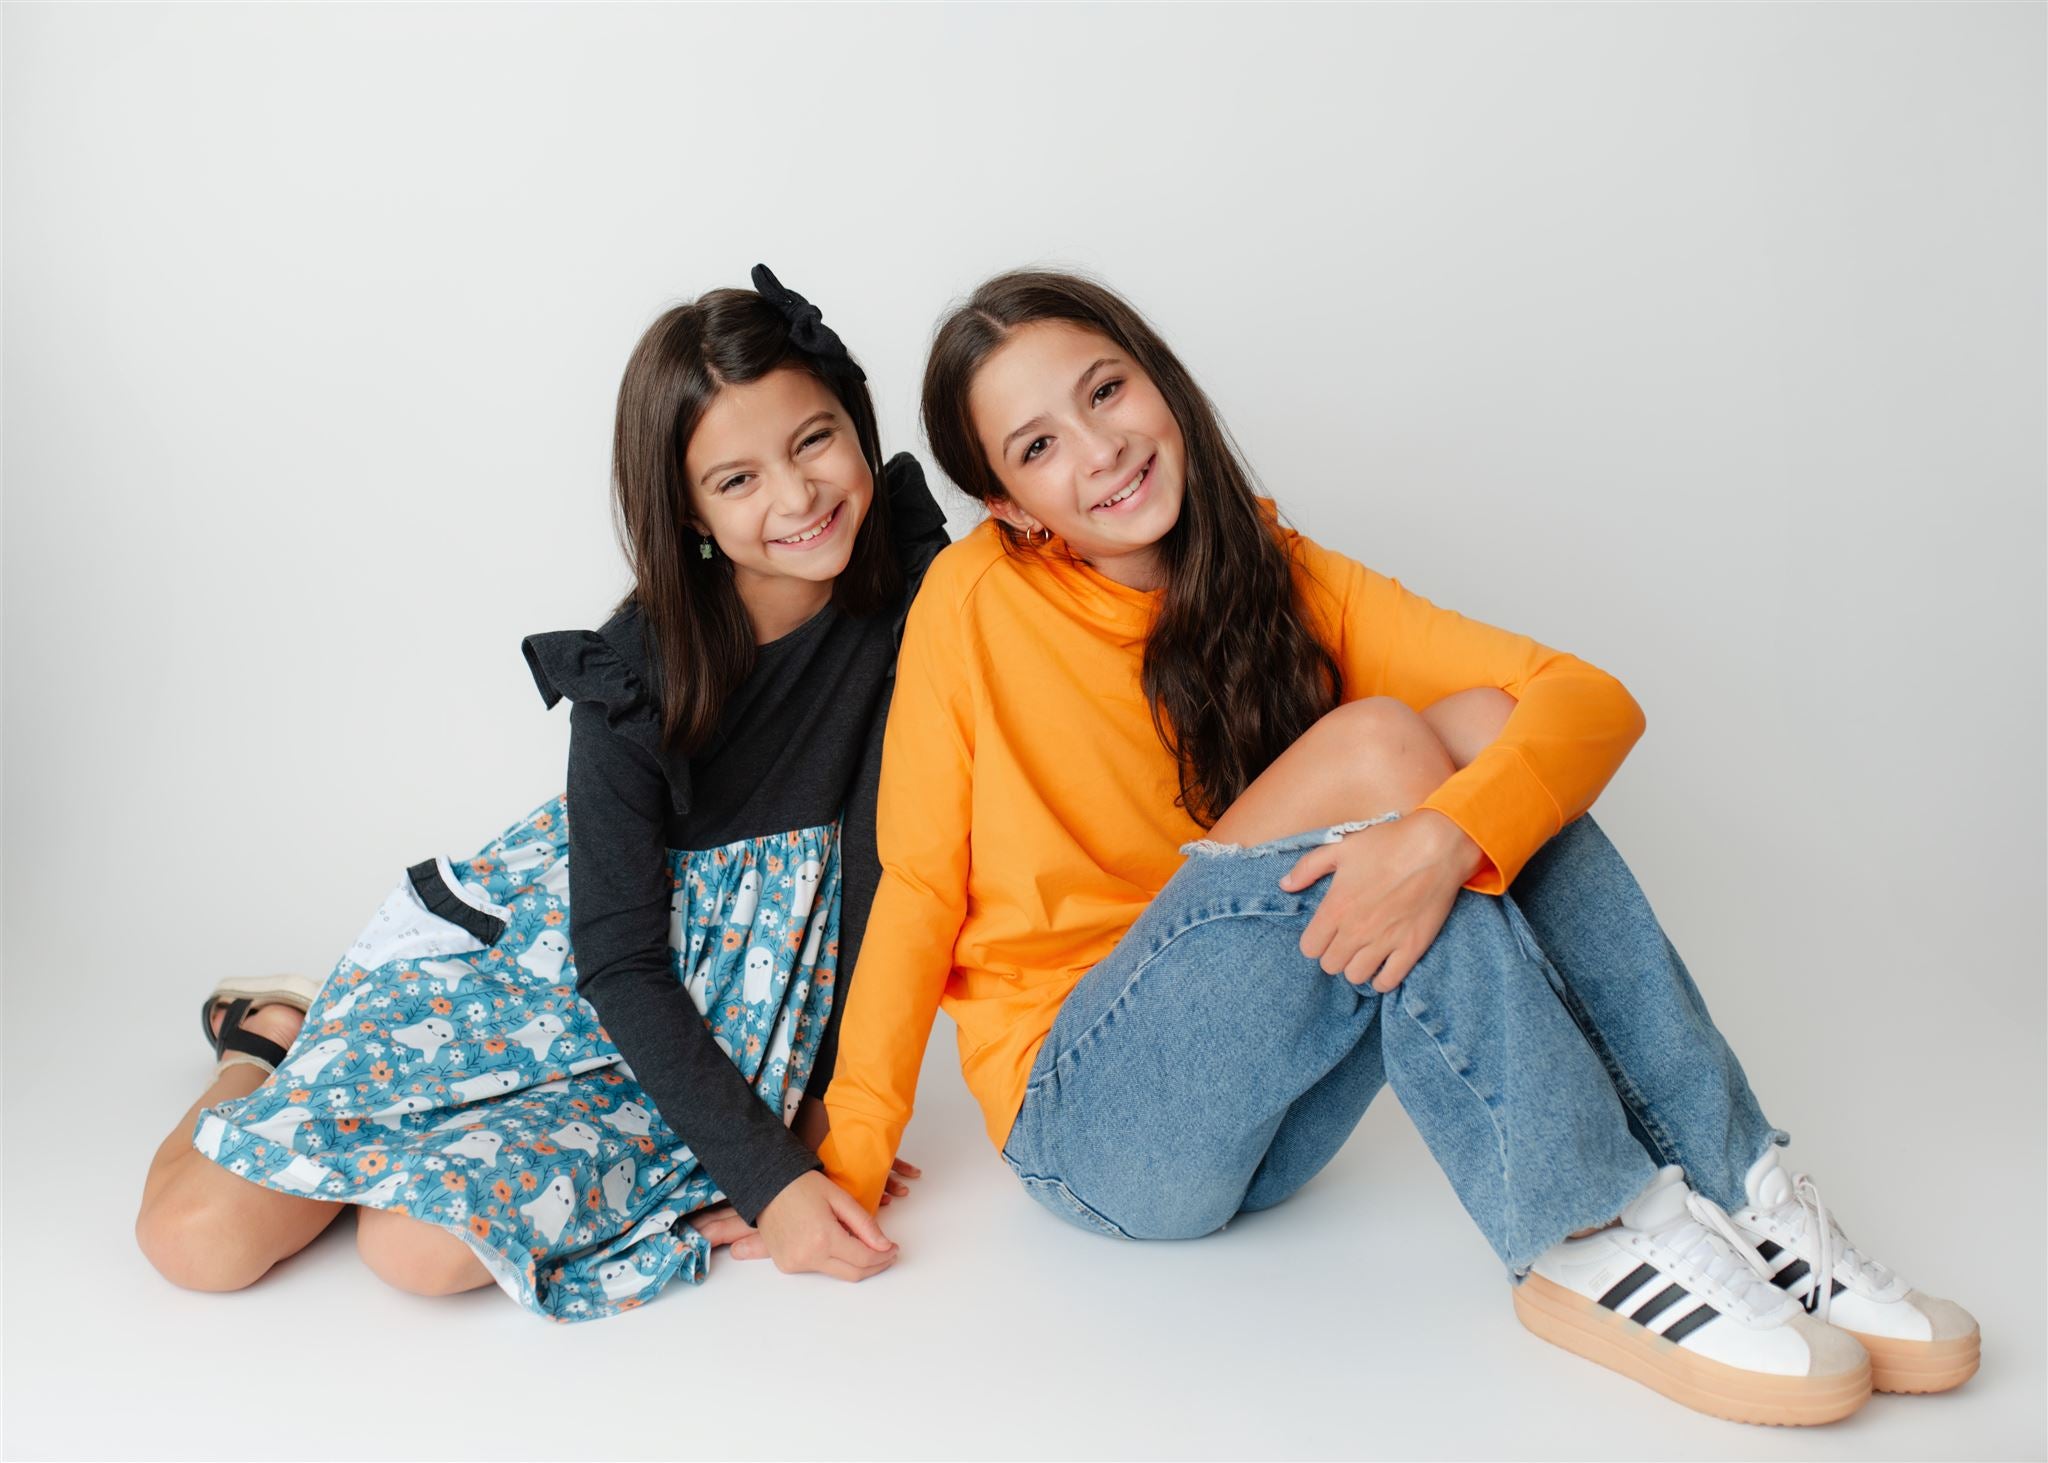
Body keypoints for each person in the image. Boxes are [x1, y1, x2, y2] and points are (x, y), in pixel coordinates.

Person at [812, 269, 1978, 1420]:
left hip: (1268, 1123)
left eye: (1104, 390)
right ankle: (1584, 1227)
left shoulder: (1276, 573)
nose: (1098, 448)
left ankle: (1738, 1190)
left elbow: (1586, 699)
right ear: (1011, 504)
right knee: (1386, 750)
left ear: (1157, 380)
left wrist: (1446, 841)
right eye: (1037, 447)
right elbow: (914, 883)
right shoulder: (971, 599)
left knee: (1485, 738)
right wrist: (848, 1153)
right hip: (1091, 1128)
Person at [135, 266, 942, 1321]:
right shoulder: (633, 673)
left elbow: (885, 865)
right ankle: (267, 1042)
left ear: (855, 418)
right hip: (575, 974)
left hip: (724, 1028)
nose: (796, 497)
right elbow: (618, 959)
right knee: (195, 1240)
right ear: (688, 510)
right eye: (737, 478)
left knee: (419, 1250)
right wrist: (770, 1179)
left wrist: (823, 1115)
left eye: (813, 439)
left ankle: (376, 1142)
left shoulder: (916, 588)